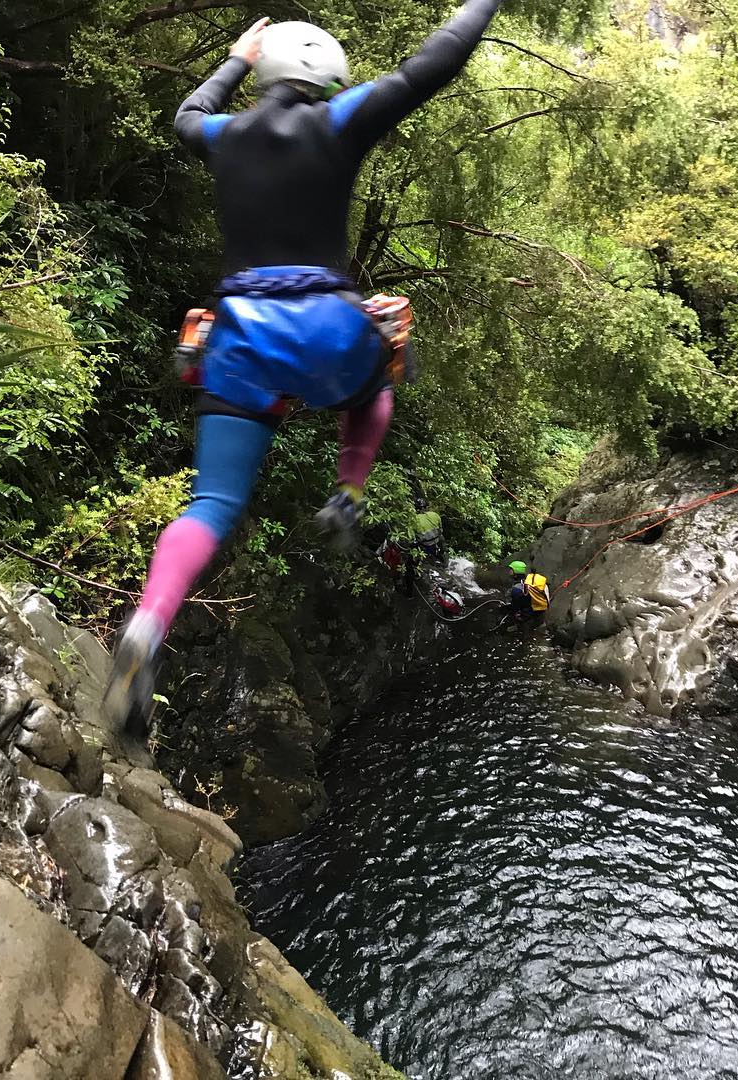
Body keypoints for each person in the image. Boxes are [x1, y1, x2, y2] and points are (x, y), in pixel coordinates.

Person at [105, 1, 504, 731]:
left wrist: (233, 59)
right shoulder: (337, 121)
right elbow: (434, 62)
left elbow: (187, 115)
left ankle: (147, 625)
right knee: (381, 363)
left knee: (214, 505)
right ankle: (348, 491)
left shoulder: (225, 135)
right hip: (324, 326)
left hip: (240, 338)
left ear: (267, 73)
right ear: (327, 74)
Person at [499, 559, 550, 628]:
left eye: (511, 569)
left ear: (515, 572)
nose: (509, 571)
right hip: (539, 612)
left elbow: (515, 607)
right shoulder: (529, 581)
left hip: (529, 616)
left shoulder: (517, 588)